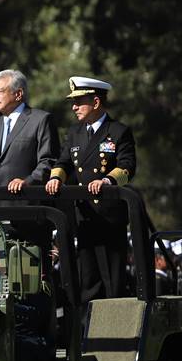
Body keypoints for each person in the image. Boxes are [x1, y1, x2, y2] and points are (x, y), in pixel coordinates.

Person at [44, 77, 137, 300]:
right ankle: (89, 332)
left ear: (96, 103)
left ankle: (116, 331)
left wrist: (107, 181)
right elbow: (63, 162)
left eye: (79, 101)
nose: (74, 107)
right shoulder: (75, 133)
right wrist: (56, 178)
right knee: (89, 282)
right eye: (73, 102)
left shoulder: (118, 131)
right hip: (84, 218)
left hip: (109, 218)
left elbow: (127, 167)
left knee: (113, 283)